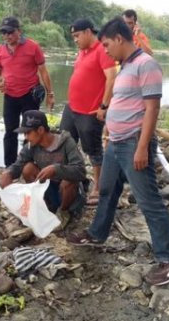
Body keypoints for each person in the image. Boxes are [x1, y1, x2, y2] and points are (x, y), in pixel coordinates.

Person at [67, 17, 169, 286]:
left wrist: (142, 147)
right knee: (107, 190)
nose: (104, 50)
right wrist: (109, 130)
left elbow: (152, 109)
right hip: (116, 143)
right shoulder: (126, 66)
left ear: (119, 39)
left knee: (148, 201)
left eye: (106, 44)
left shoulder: (147, 65)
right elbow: (122, 102)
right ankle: (97, 234)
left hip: (133, 143)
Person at [60, 19, 117, 206]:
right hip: (72, 108)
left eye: (77, 36)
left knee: (93, 150)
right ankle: (76, 179)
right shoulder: (82, 51)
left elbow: (111, 78)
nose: (75, 40)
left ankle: (98, 186)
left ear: (87, 32)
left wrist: (104, 106)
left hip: (90, 111)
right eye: (73, 37)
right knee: (65, 143)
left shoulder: (102, 49)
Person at [0, 110, 86, 229]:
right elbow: (18, 165)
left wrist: (56, 169)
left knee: (68, 181)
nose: (26, 137)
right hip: (47, 188)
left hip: (68, 193)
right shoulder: (31, 145)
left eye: (28, 133)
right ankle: (44, 206)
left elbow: (81, 171)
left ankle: (63, 212)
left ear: (40, 130)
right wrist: (8, 173)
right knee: (28, 168)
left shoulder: (66, 142)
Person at [0, 16, 55, 167]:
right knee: (10, 132)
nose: (7, 36)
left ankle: (28, 164)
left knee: (31, 132)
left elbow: (43, 72)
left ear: (19, 31)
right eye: (4, 33)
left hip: (30, 95)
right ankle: (10, 166)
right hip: (10, 96)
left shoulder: (33, 47)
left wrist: (50, 94)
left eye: (10, 32)